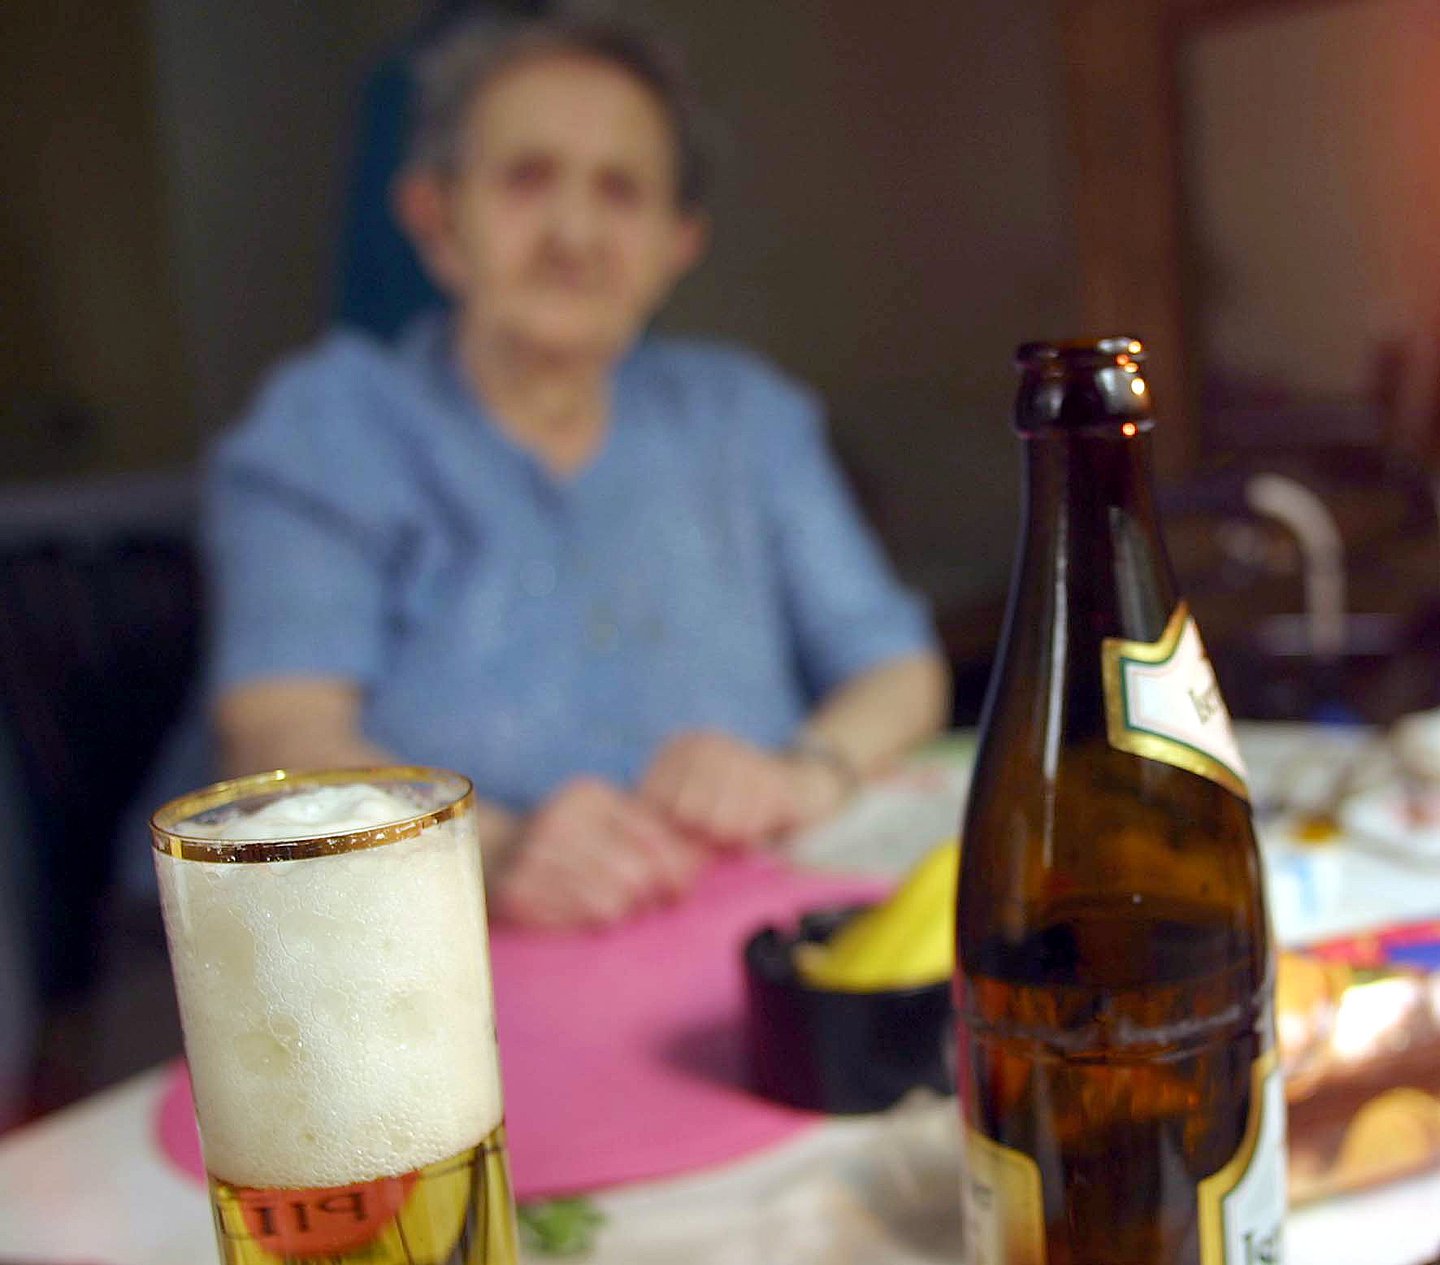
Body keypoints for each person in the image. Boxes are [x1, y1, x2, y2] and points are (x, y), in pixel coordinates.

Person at [205, 17, 950, 930]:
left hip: (730, 925)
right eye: (526, 178)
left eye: (621, 190)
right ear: (435, 218)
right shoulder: (329, 427)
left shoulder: (745, 417)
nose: (573, 231)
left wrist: (801, 774)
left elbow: (900, 669)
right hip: (425, 949)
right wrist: (495, 848)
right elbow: (283, 735)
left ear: (678, 243)